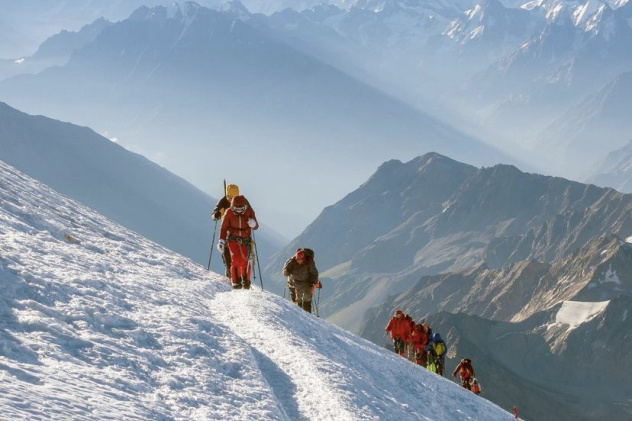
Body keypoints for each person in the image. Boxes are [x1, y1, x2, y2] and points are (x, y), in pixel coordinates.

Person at [217, 195, 258, 289]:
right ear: (232, 206)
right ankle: (236, 281)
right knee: (235, 259)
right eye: (237, 208)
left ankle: (245, 280)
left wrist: (254, 224)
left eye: (241, 208)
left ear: (245, 206)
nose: (239, 210)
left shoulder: (249, 212)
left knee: (245, 260)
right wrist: (222, 241)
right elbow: (223, 228)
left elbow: (256, 226)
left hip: (245, 241)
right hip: (233, 239)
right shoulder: (229, 213)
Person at [211, 184, 245, 277]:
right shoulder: (223, 202)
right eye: (229, 197)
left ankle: (236, 272)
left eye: (233, 197)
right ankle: (230, 271)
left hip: (239, 230)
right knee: (226, 249)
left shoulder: (242, 202)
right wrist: (216, 215)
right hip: (226, 230)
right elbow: (215, 213)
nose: (230, 199)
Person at [282, 248, 321, 312]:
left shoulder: (309, 262)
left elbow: (314, 273)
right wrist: (286, 272)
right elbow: (285, 271)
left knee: (307, 297)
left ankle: (307, 313)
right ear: (296, 258)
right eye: (298, 259)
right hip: (295, 281)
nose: (299, 261)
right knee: (298, 298)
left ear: (304, 258)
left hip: (307, 281)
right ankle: (299, 312)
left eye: (301, 259)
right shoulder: (291, 262)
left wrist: (314, 282)